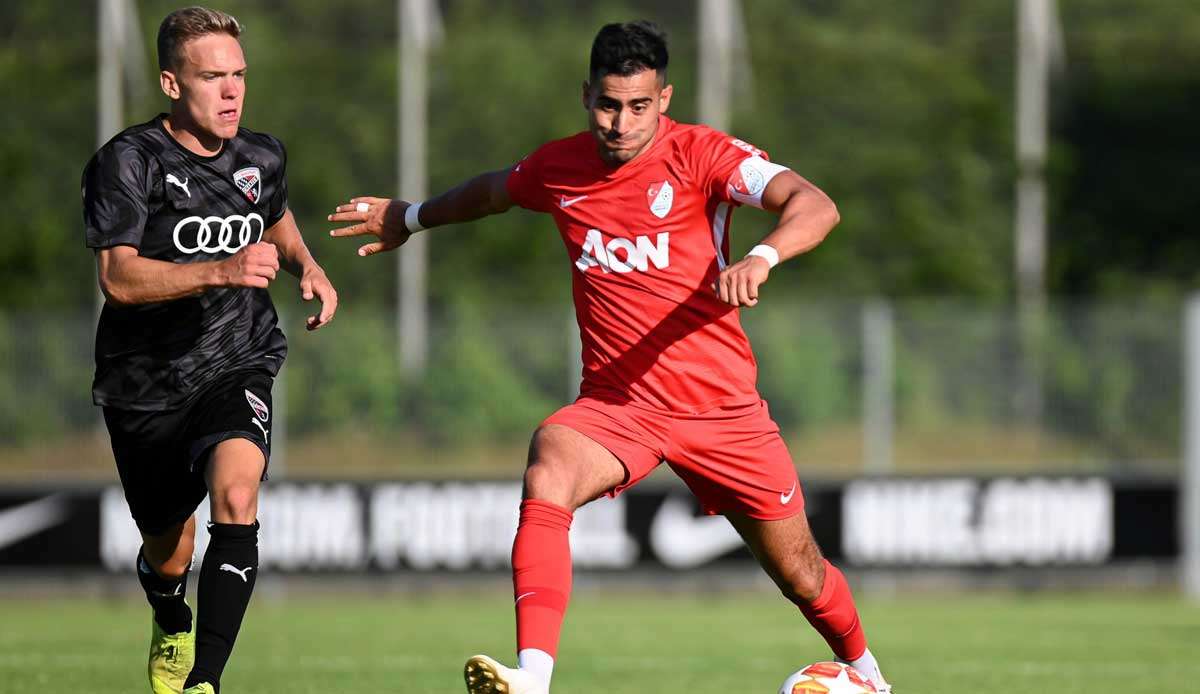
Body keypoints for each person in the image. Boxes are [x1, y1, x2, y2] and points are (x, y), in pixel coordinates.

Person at [329, 20, 890, 694]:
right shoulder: (558, 167)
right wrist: (412, 217)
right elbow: (489, 194)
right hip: (618, 407)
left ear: (665, 98)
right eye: (606, 104)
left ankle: (867, 674)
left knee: (800, 571)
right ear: (585, 95)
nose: (620, 123)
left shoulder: (704, 156)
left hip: (722, 411)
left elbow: (814, 204)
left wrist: (762, 256)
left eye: (639, 106)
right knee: (550, 465)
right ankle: (533, 677)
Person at [81, 7, 337, 694]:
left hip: (239, 358)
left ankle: (206, 683)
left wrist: (305, 266)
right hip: (146, 385)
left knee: (236, 491)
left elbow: (274, 217)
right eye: (211, 77)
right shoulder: (129, 162)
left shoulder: (261, 155)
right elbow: (118, 278)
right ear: (171, 82)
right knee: (171, 553)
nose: (230, 92)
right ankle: (169, 615)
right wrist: (220, 269)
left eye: (239, 76)